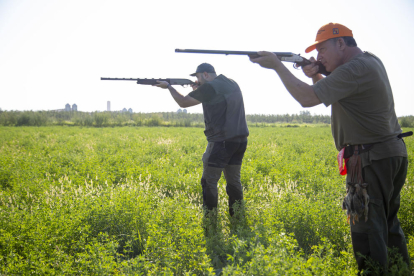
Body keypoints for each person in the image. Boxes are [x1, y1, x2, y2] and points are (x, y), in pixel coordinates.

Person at [248, 23, 411, 273]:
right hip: (387, 154)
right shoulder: (367, 63)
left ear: (342, 44)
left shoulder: (354, 69)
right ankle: (401, 271)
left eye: (322, 49)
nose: (319, 56)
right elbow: (329, 91)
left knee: (367, 230)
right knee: (387, 227)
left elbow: (308, 98)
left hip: (371, 159)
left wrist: (278, 66)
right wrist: (315, 73)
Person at [153, 63, 249, 219]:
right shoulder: (230, 82)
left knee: (208, 181)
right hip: (239, 140)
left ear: (205, 74)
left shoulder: (210, 87)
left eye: (198, 77)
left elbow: (183, 102)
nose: (197, 80)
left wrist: (169, 87)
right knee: (233, 182)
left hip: (221, 141)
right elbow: (219, 100)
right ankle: (237, 217)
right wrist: (199, 90)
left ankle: (210, 221)